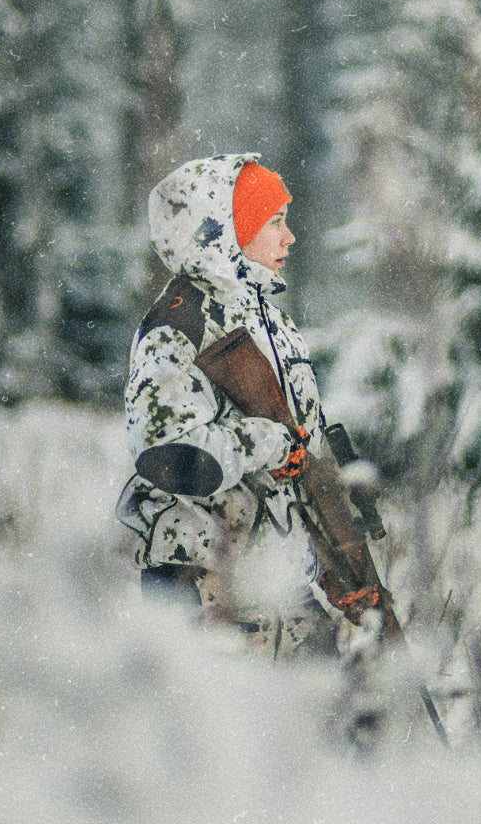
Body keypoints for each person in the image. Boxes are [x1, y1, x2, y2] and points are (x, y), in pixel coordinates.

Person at [116, 153, 339, 659]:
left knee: (340, 722)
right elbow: (169, 453)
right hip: (201, 582)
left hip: (277, 579)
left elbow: (307, 446)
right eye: (275, 222)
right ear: (224, 227)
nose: (290, 237)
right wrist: (270, 442)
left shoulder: (272, 323)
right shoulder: (179, 323)